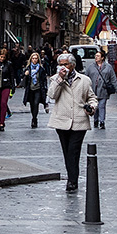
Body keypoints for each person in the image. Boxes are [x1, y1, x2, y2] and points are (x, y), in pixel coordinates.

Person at [48, 52, 99, 192]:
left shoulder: (84, 80)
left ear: (73, 65)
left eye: (65, 64)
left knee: (73, 151)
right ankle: (72, 178)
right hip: (62, 120)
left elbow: (92, 98)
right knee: (66, 151)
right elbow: (52, 95)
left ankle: (72, 181)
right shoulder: (55, 79)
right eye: (60, 65)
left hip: (79, 120)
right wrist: (60, 79)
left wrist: (92, 107)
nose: (62, 67)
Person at [84, 49, 117, 129]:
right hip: (93, 91)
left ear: (102, 58)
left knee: (101, 106)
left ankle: (102, 121)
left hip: (103, 90)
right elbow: (86, 78)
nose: (96, 57)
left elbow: (113, 79)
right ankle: (95, 120)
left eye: (98, 56)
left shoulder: (108, 67)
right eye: (95, 56)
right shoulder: (91, 66)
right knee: (94, 106)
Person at [0, 48, 16, 131]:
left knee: (3, 103)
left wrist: (13, 86)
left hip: (6, 85)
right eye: (1, 57)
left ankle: (2, 123)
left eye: (3, 57)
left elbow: (12, 75)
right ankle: (1, 121)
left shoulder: (9, 64)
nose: (2, 59)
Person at [21, 51, 48, 127]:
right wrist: (25, 74)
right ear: (31, 59)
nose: (35, 60)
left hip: (38, 88)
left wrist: (45, 88)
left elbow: (44, 79)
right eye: (33, 58)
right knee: (32, 104)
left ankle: (34, 119)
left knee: (36, 103)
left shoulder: (41, 69)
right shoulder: (28, 68)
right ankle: (33, 117)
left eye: (36, 58)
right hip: (30, 89)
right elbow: (21, 76)